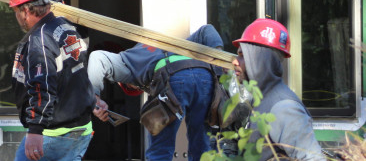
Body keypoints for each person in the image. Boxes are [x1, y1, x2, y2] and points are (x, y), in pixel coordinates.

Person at [88, 24, 224, 161]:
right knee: (202, 148)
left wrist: (95, 99)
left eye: (137, 88)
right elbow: (208, 30)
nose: (140, 88)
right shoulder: (174, 46)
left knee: (160, 151)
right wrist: (220, 63)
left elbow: (97, 57)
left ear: (123, 82)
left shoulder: (126, 61)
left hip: (171, 77)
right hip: (205, 76)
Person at [8, 0, 99, 161]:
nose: (17, 16)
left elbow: (42, 89)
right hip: (81, 128)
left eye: (16, 11)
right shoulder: (67, 26)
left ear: (25, 11)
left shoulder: (39, 42)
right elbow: (77, 69)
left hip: (55, 133)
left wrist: (35, 130)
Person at [232, 18, 325, 160]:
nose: (234, 61)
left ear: (260, 59)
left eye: (243, 55)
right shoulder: (262, 99)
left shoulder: (284, 107)